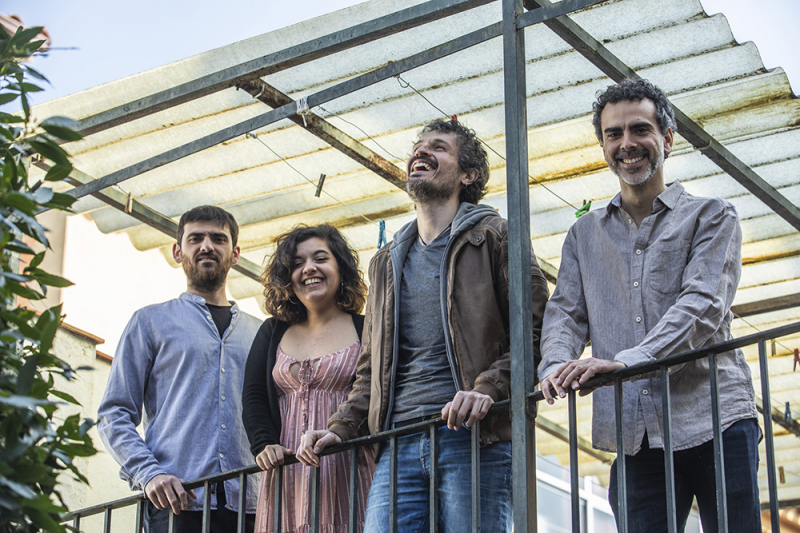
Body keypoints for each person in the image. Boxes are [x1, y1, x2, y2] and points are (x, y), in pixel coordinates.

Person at [296, 119, 550, 532]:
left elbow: (537, 333)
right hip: (397, 445)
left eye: (439, 147)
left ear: (468, 175)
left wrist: (488, 389)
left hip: (475, 438)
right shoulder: (385, 262)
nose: (421, 151)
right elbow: (370, 370)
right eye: (418, 146)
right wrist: (339, 428)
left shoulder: (496, 236)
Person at [538, 79, 761, 532]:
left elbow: (703, 306)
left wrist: (629, 362)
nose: (626, 144)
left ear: (668, 139)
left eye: (640, 129)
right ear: (604, 146)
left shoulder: (712, 216)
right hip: (635, 434)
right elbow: (565, 313)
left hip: (715, 417)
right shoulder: (583, 235)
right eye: (613, 134)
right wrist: (555, 365)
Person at [97, 206, 261, 533]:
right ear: (177, 252)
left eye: (218, 239)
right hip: (175, 503)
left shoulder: (261, 334)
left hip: (251, 505)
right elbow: (114, 413)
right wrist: (149, 474)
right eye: (195, 238)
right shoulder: (149, 322)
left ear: (235, 254)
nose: (207, 246)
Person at [241, 224, 375, 533]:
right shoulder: (272, 331)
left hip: (350, 470)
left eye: (320, 258)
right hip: (286, 476)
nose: (309, 268)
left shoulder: (366, 327)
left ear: (340, 268)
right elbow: (254, 395)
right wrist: (264, 443)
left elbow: (375, 390)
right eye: (297, 263)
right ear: (287, 278)